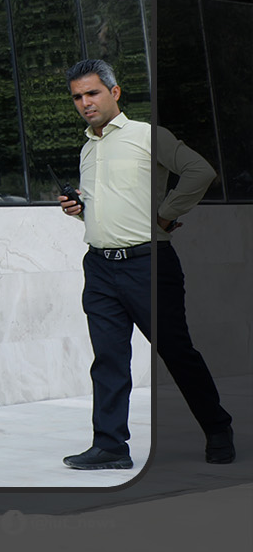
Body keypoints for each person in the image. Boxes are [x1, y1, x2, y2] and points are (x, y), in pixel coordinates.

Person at [57, 58, 234, 469]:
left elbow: (200, 171)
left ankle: (217, 428)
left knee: (176, 351)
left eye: (92, 93)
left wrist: (166, 215)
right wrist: (79, 210)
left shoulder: (148, 135)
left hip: (148, 265)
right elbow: (111, 208)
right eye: (78, 97)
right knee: (108, 359)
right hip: (99, 267)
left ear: (115, 92)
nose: (85, 103)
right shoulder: (88, 148)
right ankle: (110, 446)